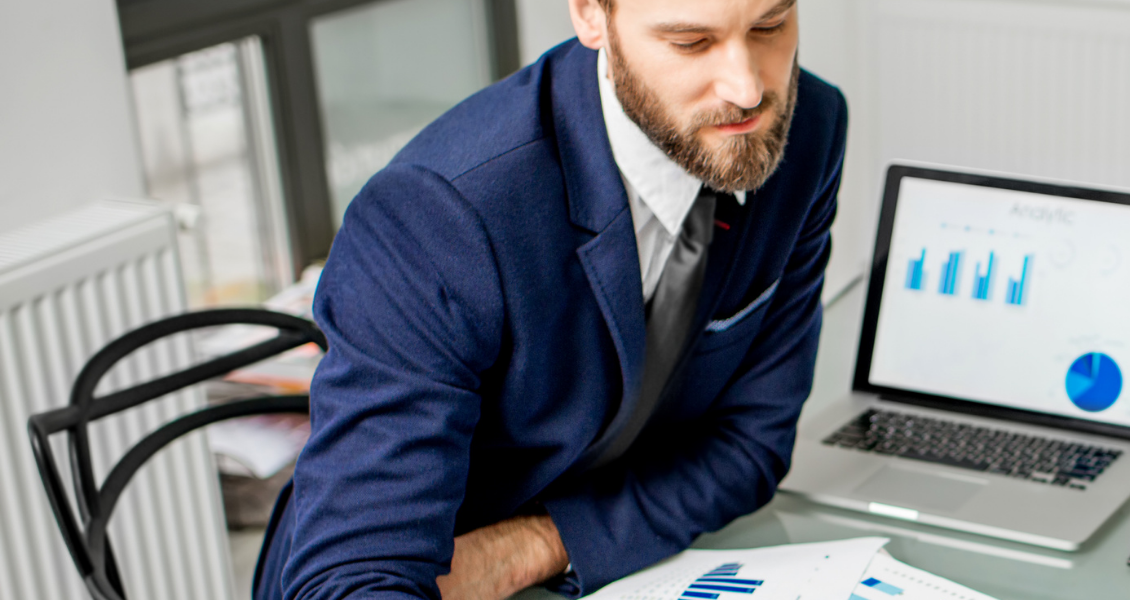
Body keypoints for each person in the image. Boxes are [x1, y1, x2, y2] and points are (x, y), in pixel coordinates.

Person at [252, 0, 847, 597]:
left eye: (771, 25)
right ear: (591, 15)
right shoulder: (437, 212)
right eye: (691, 42)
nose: (747, 88)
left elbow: (750, 447)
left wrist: (531, 547)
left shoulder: (806, 129)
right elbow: (354, 576)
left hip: (593, 568)